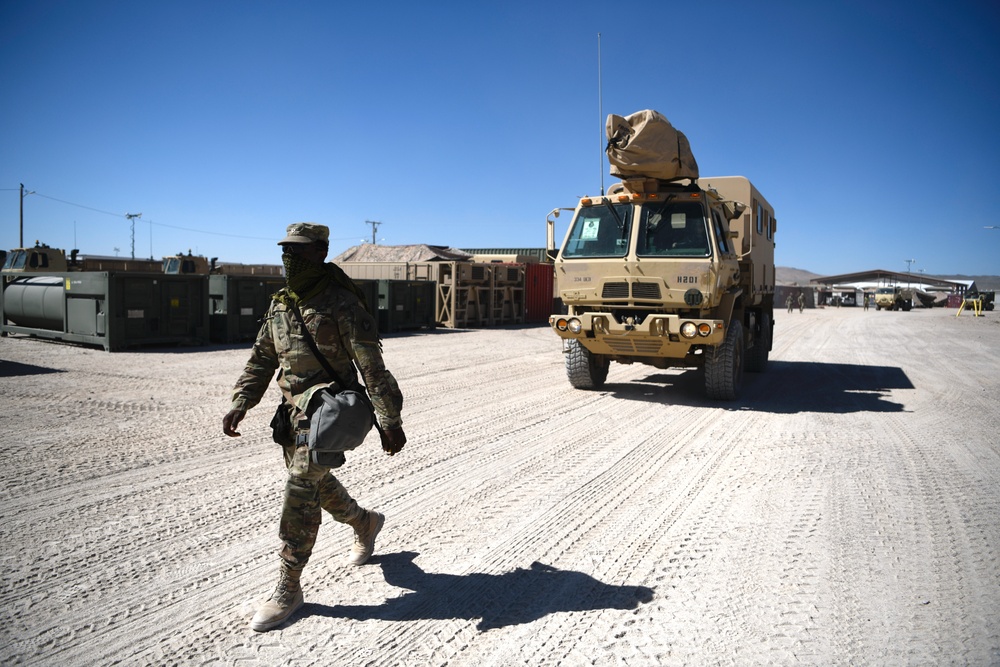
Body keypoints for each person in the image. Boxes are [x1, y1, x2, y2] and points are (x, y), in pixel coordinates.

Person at [223, 222, 406, 632]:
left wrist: (388, 421)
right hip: (291, 415)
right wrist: (242, 401)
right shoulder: (281, 303)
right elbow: (262, 358)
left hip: (329, 414)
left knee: (300, 488)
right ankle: (364, 522)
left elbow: (371, 368)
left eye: (300, 251)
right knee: (317, 484)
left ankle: (288, 587)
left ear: (321, 253)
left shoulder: (341, 303)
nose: (291, 258)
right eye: (287, 249)